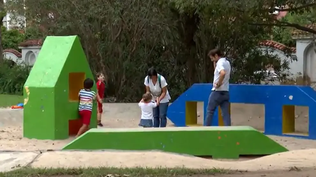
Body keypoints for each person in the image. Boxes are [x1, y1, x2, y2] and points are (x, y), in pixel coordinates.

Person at [205, 48, 231, 126]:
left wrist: (218, 83)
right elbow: (217, 72)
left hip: (217, 91)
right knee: (225, 113)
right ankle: (228, 130)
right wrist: (214, 64)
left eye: (212, 58)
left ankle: (205, 129)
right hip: (225, 91)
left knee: (210, 111)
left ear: (216, 55)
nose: (212, 60)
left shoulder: (220, 63)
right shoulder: (227, 62)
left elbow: (222, 73)